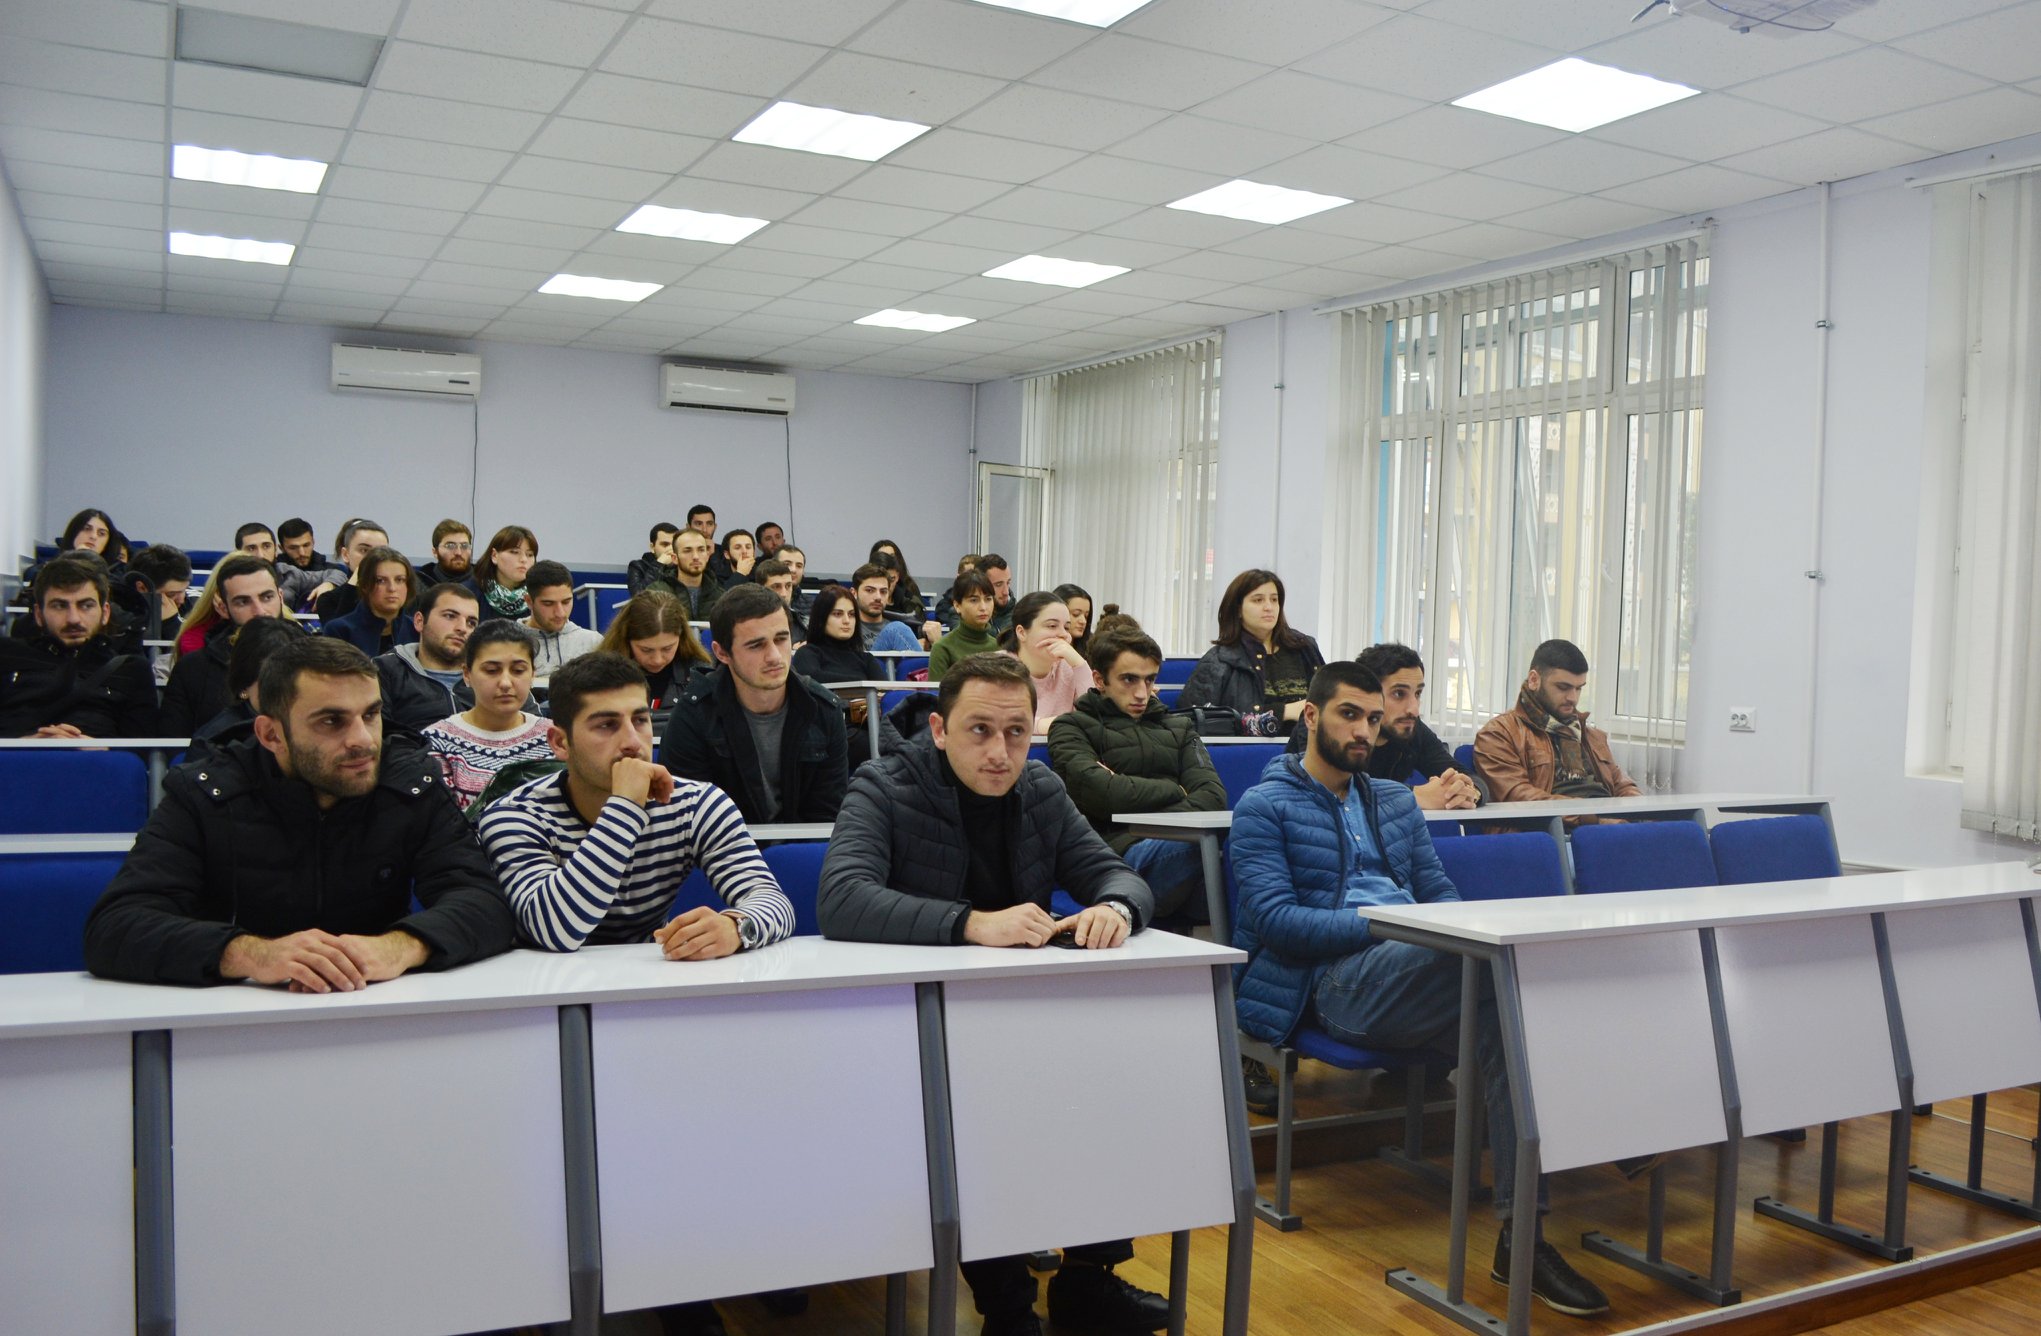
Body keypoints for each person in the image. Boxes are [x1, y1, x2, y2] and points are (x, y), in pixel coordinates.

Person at [1230, 661, 1614, 1319]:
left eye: (1373, 719)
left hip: (1418, 967)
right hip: (1332, 981)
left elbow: (1439, 892)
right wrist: (1389, 925)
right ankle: (1628, 1133)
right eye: (1349, 715)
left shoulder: (1392, 801)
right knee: (1510, 971)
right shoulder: (1265, 806)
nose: (1363, 730)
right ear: (1312, 716)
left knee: (1507, 1020)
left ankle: (1522, 1241)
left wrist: (1442, 929)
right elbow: (1275, 922)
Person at [817, 653, 1165, 1336]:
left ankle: (1087, 1280)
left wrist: (1115, 910)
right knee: (978, 1118)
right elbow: (842, 899)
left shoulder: (1040, 787)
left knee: (1112, 1081)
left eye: (1015, 733)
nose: (1000, 752)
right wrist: (971, 923)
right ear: (939, 729)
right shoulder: (883, 785)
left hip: (1021, 1012)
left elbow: (1116, 875)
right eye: (979, 730)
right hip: (920, 1021)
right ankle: (1006, 1307)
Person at [82, 636, 517, 989]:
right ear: (271, 734)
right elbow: (116, 927)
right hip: (235, 1020)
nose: (363, 740)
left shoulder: (410, 782)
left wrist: (400, 947)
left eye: (371, 714)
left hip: (375, 1006)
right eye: (331, 721)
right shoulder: (206, 792)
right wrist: (253, 954)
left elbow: (484, 902)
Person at [477, 651, 797, 955]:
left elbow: (773, 902)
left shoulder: (695, 804)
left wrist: (737, 927)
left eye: (640, 720)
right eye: (606, 725)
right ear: (561, 743)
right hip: (539, 983)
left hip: (646, 977)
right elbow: (555, 931)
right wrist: (625, 806)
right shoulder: (514, 816)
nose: (633, 742)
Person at [1048, 626, 1226, 928]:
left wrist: (1130, 793)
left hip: (1176, 847)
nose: (1142, 693)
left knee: (1247, 842)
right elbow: (1104, 794)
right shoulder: (1071, 727)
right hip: (1116, 854)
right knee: (1204, 848)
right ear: (1099, 680)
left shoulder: (1179, 727)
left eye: (1149, 680)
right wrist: (1176, 789)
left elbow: (1212, 798)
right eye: (1129, 679)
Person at [662, 582, 849, 825]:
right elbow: (688, 819)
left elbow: (826, 820)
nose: (774, 656)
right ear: (722, 653)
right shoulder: (693, 715)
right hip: (722, 845)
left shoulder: (825, 710)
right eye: (756, 645)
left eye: (781, 639)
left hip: (803, 846)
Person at [1284, 643, 1481, 810]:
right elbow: (1327, 786)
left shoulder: (1410, 727)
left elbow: (1466, 775)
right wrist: (1414, 796)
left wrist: (1468, 791)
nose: (1413, 709)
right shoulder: (1322, 723)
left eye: (1418, 694)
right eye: (1399, 694)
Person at [0, 555, 158, 738]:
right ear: (38, 615)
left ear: (105, 613)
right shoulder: (7, 656)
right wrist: (27, 745)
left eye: (86, 606)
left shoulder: (132, 670)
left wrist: (98, 748)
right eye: (59, 606)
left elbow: (142, 749)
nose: (73, 619)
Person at [1474, 639, 1639, 811]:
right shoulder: (1499, 734)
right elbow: (1518, 797)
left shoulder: (1590, 735)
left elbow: (1622, 785)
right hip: (1555, 824)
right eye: (1563, 687)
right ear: (1534, 680)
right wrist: (1594, 817)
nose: (1573, 698)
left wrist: (1639, 813)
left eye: (1578, 688)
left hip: (1604, 818)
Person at [423, 621, 554, 812]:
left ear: (533, 674)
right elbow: (443, 822)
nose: (506, 683)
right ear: (467, 674)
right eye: (492, 671)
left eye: (518, 670)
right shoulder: (438, 741)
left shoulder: (554, 737)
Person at [1181, 569, 1325, 737]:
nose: (1269, 607)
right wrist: (1283, 712)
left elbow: (1330, 702)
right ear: (1238, 609)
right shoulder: (1219, 660)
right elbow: (1192, 720)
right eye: (1258, 600)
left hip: (1307, 746)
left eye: (1274, 599)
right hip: (1247, 749)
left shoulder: (1305, 648)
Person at [160, 554, 292, 736]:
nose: (259, 611)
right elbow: (173, 744)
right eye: (243, 602)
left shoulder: (315, 659)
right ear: (223, 608)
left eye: (267, 597)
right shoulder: (193, 668)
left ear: (281, 597)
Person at [184, 615, 302, 767]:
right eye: (272, 681)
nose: (286, 690)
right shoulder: (214, 743)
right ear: (244, 685)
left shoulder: (318, 726)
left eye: (295, 679)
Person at [376, 582, 487, 741]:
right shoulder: (385, 671)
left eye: (471, 623)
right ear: (419, 621)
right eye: (450, 616)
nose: (462, 628)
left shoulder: (490, 675)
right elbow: (379, 739)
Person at [597, 591, 710, 709]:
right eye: (646, 650)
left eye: (667, 648)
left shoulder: (700, 673)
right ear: (626, 639)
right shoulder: (601, 675)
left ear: (681, 638)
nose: (657, 660)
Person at [1002, 591, 1090, 731]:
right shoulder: (996, 668)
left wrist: (1079, 664)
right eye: (1052, 626)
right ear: (1022, 632)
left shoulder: (1069, 667)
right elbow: (999, 721)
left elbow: (1096, 715)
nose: (1063, 634)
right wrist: (1050, 725)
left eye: (1066, 628)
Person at [321, 545, 419, 656]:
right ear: (364, 585)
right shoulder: (339, 630)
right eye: (380, 581)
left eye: (399, 580)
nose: (392, 588)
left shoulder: (418, 630)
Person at [522, 559, 602, 686]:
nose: (560, 613)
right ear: (529, 601)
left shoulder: (593, 642)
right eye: (548, 603)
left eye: (566, 602)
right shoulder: (507, 642)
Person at [235, 521, 330, 609]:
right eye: (251, 548)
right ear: (238, 553)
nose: (260, 555)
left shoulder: (288, 573)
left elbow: (334, 574)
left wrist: (329, 584)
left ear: (276, 550)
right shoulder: (229, 580)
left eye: (266, 546)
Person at [312, 518, 392, 621]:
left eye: (381, 551)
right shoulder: (329, 600)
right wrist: (354, 583)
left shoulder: (399, 593)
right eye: (364, 550)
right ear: (345, 554)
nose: (374, 557)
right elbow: (339, 629)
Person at [926, 570, 999, 680]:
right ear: (957, 606)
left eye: (988, 599)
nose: (983, 607)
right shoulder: (943, 648)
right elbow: (937, 690)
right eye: (974, 600)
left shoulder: (998, 648)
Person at [850, 562, 921, 654]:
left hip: (895, 663)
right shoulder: (846, 626)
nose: (878, 597)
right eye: (870, 590)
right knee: (896, 628)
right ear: (854, 593)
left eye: (883, 592)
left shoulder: (899, 628)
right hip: (862, 662)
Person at [129, 543, 192, 642]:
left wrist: (172, 623)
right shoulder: (123, 613)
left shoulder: (196, 604)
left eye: (185, 590)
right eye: (171, 594)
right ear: (142, 588)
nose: (182, 600)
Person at [475, 525, 539, 622]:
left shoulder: (538, 595)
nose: (524, 559)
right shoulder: (471, 592)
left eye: (530, 554)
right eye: (514, 552)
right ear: (494, 555)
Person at [666, 528, 724, 620]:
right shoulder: (657, 594)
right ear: (674, 558)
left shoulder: (721, 597)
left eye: (701, 550)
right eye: (687, 551)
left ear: (707, 556)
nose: (696, 557)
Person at [754, 558, 806, 644]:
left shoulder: (801, 622)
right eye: (776, 587)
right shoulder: (748, 623)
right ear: (760, 589)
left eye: (788, 586)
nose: (784, 594)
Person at [415, 519, 478, 590]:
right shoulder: (420, 582)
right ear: (435, 552)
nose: (458, 553)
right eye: (450, 546)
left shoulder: (482, 582)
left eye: (464, 546)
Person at [627, 521, 681, 596]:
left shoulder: (683, 567)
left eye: (674, 545)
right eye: (665, 544)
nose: (670, 549)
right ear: (652, 547)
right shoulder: (638, 566)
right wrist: (658, 564)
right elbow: (639, 596)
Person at [1053, 583, 1094, 660]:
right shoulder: (1046, 649)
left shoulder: (1092, 649)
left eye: (1086, 616)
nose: (1083, 621)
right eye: (1076, 614)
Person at [777, 544, 812, 613]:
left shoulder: (812, 605)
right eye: (787, 564)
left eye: (799, 566)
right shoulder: (761, 601)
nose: (793, 570)